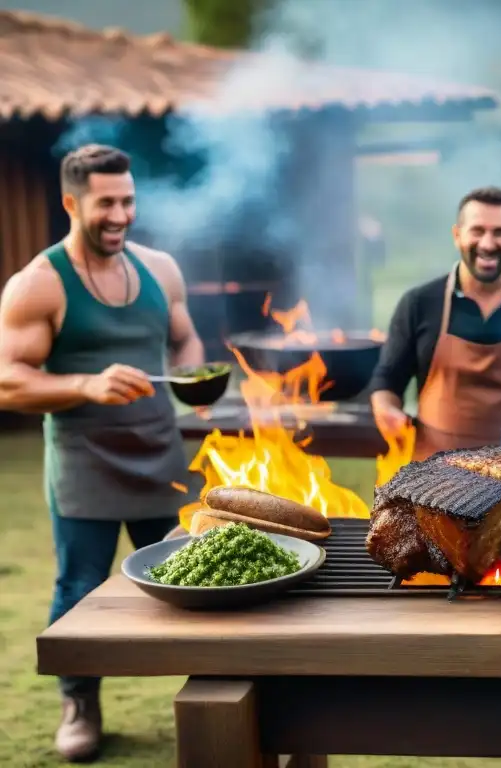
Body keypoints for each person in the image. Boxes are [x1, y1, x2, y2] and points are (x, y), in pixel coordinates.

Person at [0, 144, 204, 762]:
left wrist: (195, 380)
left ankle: (223, 687)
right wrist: (83, 385)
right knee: (81, 585)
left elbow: (184, 336)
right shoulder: (38, 282)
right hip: (84, 457)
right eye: (106, 203)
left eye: (128, 200)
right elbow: (7, 379)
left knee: (195, 579)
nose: (120, 214)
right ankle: (79, 700)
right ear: (71, 202)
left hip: (158, 453)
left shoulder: (161, 269)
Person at [369, 186, 501, 460]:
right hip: (432, 475)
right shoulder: (420, 303)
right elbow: (387, 381)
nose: (487, 244)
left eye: (499, 232)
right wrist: (386, 410)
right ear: (457, 235)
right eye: (477, 231)